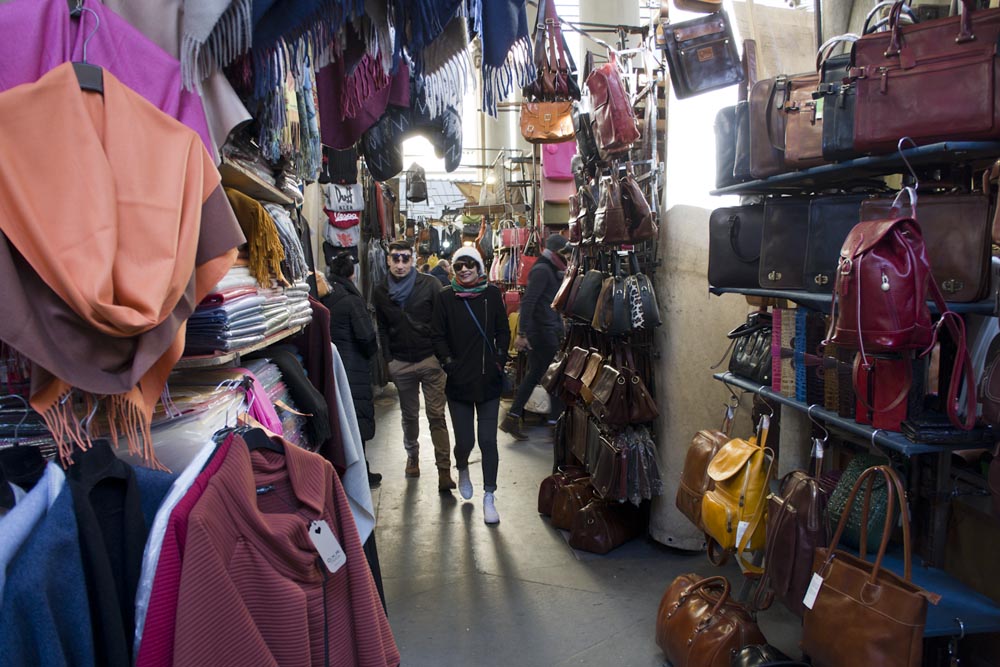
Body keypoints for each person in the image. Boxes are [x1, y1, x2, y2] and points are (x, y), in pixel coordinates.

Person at [432, 246, 510, 524]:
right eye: (459, 265)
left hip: (489, 380)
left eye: (471, 265)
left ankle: (490, 495)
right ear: (454, 269)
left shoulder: (491, 295)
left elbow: (503, 329)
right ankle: (462, 466)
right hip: (459, 384)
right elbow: (437, 334)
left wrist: (500, 358)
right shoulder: (445, 298)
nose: (465, 270)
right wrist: (448, 363)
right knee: (465, 441)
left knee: (488, 441)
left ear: (479, 267)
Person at [373, 240, 456, 492]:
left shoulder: (430, 285)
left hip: (430, 360)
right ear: (388, 260)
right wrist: (389, 360)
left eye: (405, 258)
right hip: (401, 362)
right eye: (395, 259)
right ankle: (413, 456)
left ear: (413, 259)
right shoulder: (381, 290)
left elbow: (445, 323)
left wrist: (444, 358)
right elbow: (383, 329)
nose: (400, 264)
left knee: (436, 416)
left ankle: (444, 469)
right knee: (409, 416)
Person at [500, 234, 570, 440]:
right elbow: (529, 302)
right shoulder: (542, 270)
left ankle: (513, 418)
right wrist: (522, 333)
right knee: (553, 378)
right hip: (541, 333)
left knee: (537, 376)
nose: (567, 257)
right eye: (564, 253)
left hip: (546, 330)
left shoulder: (550, 269)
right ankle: (554, 423)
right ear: (556, 252)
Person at [321, 251, 381, 486]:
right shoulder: (351, 299)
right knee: (357, 421)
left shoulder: (326, 295)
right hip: (353, 368)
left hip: (333, 366)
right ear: (352, 273)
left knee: (343, 421)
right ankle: (360, 475)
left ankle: (353, 471)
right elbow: (366, 337)